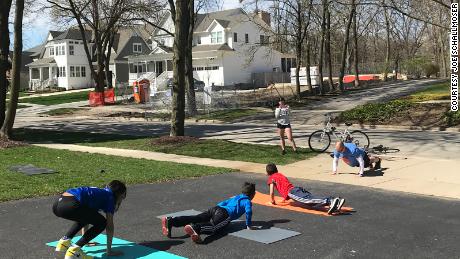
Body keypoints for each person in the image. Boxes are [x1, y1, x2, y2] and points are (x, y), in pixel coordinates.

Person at [52, 180, 127, 259]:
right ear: (119, 195)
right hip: (70, 205)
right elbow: (110, 226)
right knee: (102, 223)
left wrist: (85, 241)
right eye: (122, 197)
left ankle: (64, 242)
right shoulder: (110, 197)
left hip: (58, 204)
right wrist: (109, 251)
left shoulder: (99, 192)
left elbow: (87, 218)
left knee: (87, 215)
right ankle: (74, 251)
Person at [161, 182, 256, 243]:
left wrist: (217, 210)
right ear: (253, 194)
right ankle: (196, 228)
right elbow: (248, 212)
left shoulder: (237, 197)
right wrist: (248, 225)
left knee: (196, 218)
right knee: (214, 227)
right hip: (225, 214)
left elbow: (223, 202)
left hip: (216, 208)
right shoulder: (247, 201)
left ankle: (171, 221)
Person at [266, 163, 345, 214]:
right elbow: (284, 185)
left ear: (268, 173)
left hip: (292, 192)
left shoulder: (271, 178)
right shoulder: (280, 174)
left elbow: (272, 192)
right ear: (276, 170)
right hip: (295, 189)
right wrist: (284, 199)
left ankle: (330, 200)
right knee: (311, 202)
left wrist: (272, 201)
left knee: (308, 200)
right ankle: (336, 202)